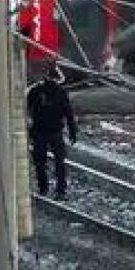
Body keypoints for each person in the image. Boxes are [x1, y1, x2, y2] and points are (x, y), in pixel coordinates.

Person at [25, 64, 78, 199]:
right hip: (47, 131)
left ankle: (50, 189)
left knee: (46, 161)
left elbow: (68, 113)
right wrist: (72, 131)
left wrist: (72, 130)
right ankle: (54, 189)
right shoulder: (46, 92)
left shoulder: (39, 91)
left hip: (47, 131)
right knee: (51, 161)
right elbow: (69, 114)